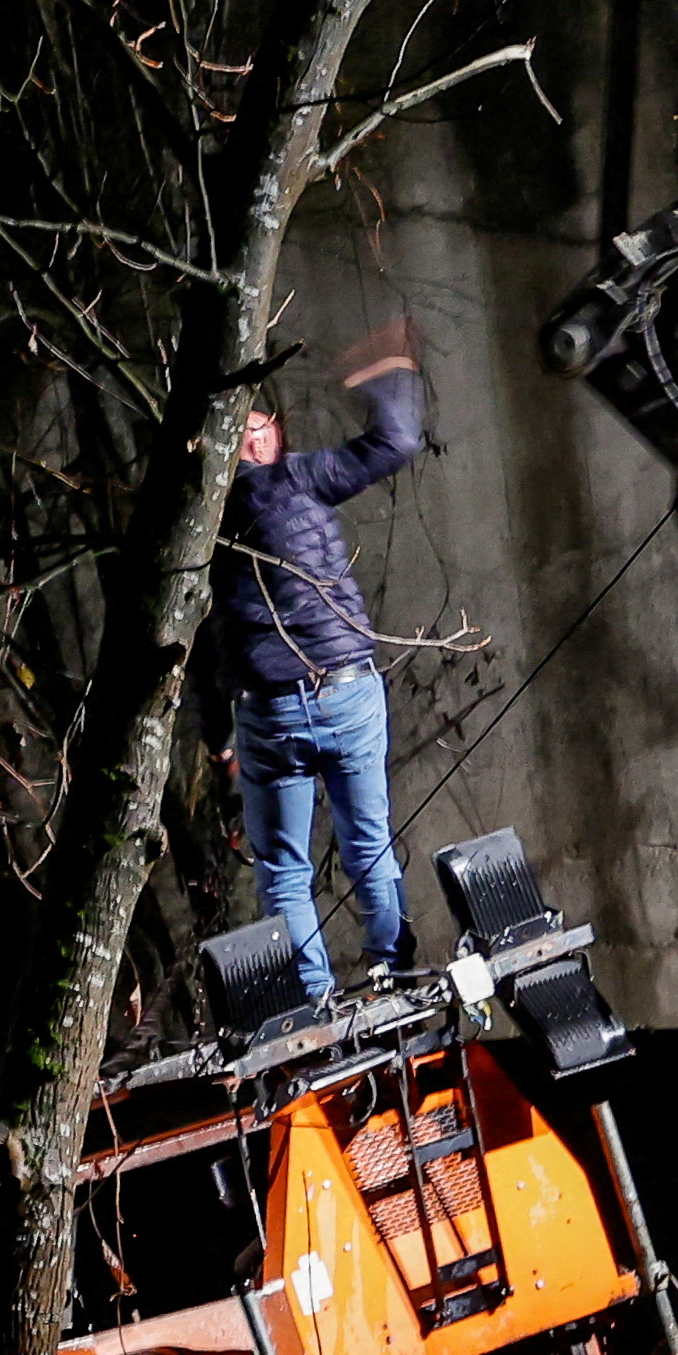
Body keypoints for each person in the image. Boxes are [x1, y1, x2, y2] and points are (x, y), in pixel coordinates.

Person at [216, 314, 430, 999]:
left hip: (271, 710)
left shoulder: (205, 525)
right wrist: (386, 373)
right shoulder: (301, 477)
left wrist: (218, 737)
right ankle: (390, 967)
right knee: (365, 839)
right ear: (265, 441)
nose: (258, 435)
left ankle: (312, 997)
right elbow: (397, 439)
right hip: (344, 688)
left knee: (281, 868)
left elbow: (197, 649)